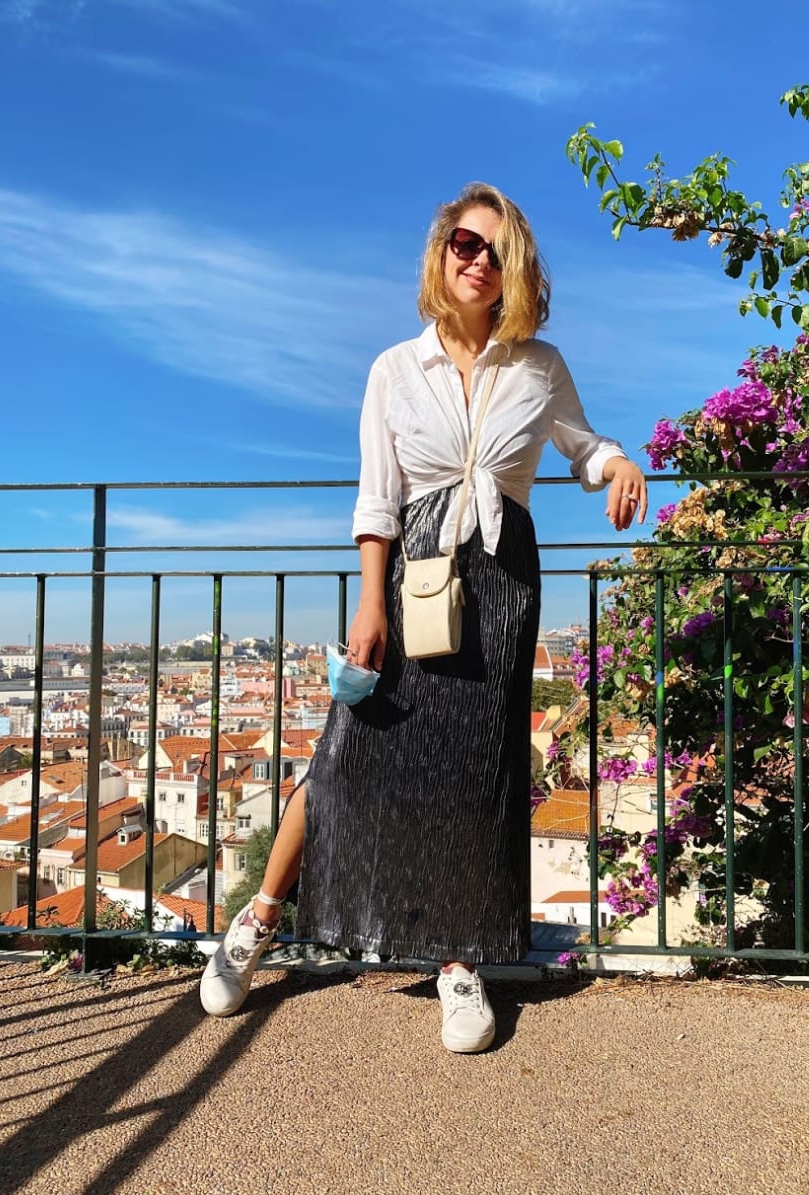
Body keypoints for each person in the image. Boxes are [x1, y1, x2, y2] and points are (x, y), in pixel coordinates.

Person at [200, 182, 648, 1050]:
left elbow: (581, 445)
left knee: (472, 772)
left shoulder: (539, 365)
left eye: (492, 249)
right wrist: (370, 600)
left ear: (513, 266)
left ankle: (458, 959)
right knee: (347, 751)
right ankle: (256, 920)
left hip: (506, 583)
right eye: (461, 246)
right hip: (415, 580)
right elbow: (379, 499)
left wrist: (618, 463)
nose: (475, 260)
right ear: (440, 258)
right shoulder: (394, 369)